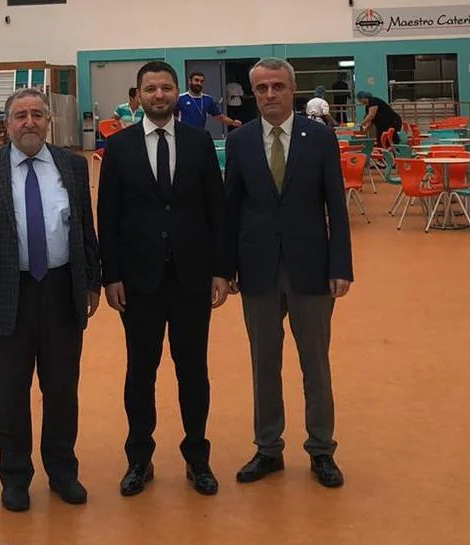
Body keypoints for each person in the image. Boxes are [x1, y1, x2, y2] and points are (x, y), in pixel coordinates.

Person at [0, 87, 101, 512]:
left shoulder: (72, 167)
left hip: (61, 289)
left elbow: (85, 229)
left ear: (49, 122)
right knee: (9, 392)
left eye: (37, 114)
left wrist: (91, 282)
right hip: (6, 293)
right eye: (20, 116)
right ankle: (15, 477)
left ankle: (63, 471)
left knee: (62, 389)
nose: (29, 122)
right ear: (7, 125)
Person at [97, 61, 229, 497]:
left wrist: (221, 269)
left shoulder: (199, 142)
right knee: (140, 372)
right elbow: (107, 216)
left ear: (177, 93)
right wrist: (111, 274)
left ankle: (197, 458)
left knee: (193, 371)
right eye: (150, 89)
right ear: (138, 95)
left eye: (166, 88)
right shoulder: (118, 147)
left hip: (192, 278)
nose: (159, 95)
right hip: (139, 282)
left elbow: (216, 209)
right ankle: (139, 459)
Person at [225, 57, 353, 488]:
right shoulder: (240, 140)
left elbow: (336, 205)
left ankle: (321, 449)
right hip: (257, 268)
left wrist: (341, 265)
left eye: (277, 86)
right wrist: (226, 267)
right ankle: (268, 448)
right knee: (264, 363)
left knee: (315, 363)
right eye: (261, 88)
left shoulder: (319, 138)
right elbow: (230, 208)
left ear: (292, 90)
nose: (270, 95)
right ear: (253, 93)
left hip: (311, 267)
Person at [176, 71, 242, 130]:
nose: (199, 83)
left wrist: (232, 122)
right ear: (190, 81)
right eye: (196, 80)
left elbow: (219, 116)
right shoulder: (180, 98)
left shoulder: (208, 99)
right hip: (183, 133)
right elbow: (172, 116)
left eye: (201, 81)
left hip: (200, 133)